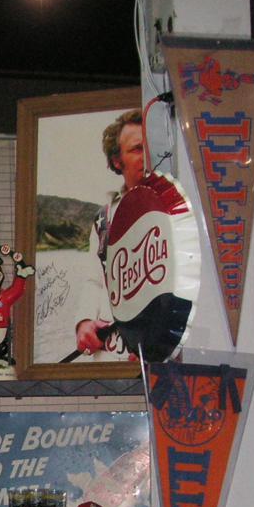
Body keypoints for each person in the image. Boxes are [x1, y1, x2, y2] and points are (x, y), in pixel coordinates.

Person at [70, 108, 192, 364]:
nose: (147, 157)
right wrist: (84, 322)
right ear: (118, 161)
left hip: (164, 357)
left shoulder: (180, 210)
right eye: (137, 149)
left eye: (152, 149)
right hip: (112, 359)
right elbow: (94, 281)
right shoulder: (104, 219)